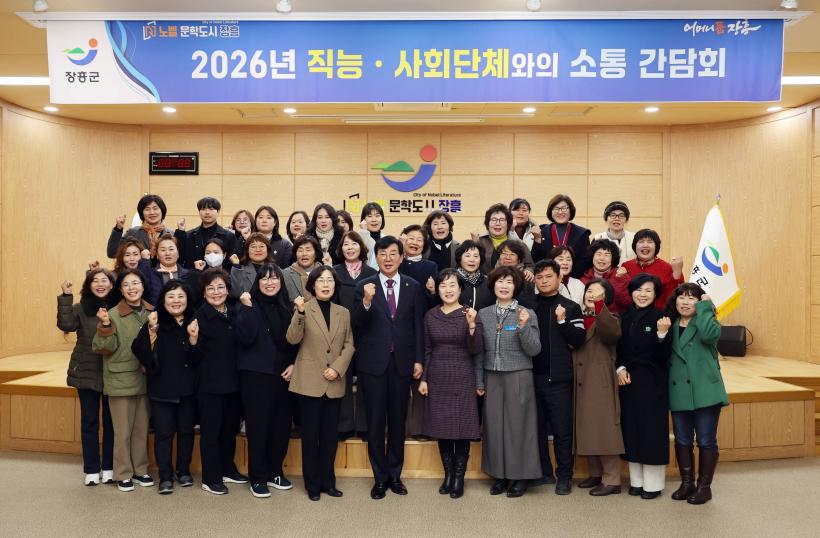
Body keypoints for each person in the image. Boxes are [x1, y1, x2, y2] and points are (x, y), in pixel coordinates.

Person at [353, 236, 426, 500]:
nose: (388, 258)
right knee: (375, 424)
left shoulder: (412, 286)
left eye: (393, 253)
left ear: (401, 257)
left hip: (402, 364)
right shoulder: (364, 285)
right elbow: (356, 324)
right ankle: (379, 478)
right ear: (377, 257)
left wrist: (418, 359)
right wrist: (366, 302)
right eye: (382, 253)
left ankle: (395, 475)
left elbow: (418, 326)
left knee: (397, 422)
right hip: (373, 365)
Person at [287, 266, 355, 501]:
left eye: (330, 281)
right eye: (321, 280)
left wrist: (337, 368)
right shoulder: (304, 308)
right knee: (310, 436)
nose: (326, 285)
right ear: (313, 285)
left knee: (329, 436)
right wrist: (299, 313)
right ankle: (312, 484)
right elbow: (292, 338)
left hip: (333, 381)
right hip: (309, 382)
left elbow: (349, 345)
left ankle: (329, 482)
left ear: (335, 285)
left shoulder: (343, 312)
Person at [475, 266, 541, 498]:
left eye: (509, 282)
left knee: (519, 428)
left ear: (516, 287)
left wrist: (523, 327)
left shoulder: (527, 313)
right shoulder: (483, 314)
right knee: (494, 427)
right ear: (493, 285)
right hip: (492, 376)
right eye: (500, 281)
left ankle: (521, 477)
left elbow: (534, 349)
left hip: (518, 375)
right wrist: (479, 380)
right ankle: (500, 475)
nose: (504, 286)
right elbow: (479, 351)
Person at [417, 269, 483, 499]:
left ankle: (458, 478)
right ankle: (448, 475)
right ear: (437, 290)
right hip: (437, 375)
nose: (448, 290)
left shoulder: (469, 313)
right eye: (443, 286)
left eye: (452, 285)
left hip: (463, 375)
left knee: (462, 429)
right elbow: (427, 349)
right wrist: (424, 378)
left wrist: (472, 326)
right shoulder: (431, 315)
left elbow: (476, 349)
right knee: (442, 428)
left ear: (460, 289)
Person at [235, 263, 299, 498]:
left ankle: (275, 472)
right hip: (256, 376)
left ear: (281, 282)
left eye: (274, 278)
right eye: (264, 279)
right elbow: (246, 337)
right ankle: (258, 477)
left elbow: (295, 341)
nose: (269, 283)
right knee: (258, 428)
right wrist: (248, 309)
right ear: (257, 282)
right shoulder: (247, 306)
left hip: (284, 376)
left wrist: (294, 364)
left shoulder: (288, 308)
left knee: (281, 427)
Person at [131, 279, 197, 495]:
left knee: (186, 432)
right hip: (161, 388)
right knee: (164, 434)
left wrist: (194, 339)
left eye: (180, 296)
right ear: (163, 299)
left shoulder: (194, 319)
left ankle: (183, 471)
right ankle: (166, 476)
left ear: (187, 299)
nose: (176, 301)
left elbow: (203, 354)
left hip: (188, 388)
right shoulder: (155, 319)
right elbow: (138, 348)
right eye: (171, 296)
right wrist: (152, 332)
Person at [91, 269, 154, 492]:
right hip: (120, 380)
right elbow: (102, 348)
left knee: (140, 430)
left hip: (145, 379)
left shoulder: (152, 312)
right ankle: (123, 473)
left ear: (143, 286)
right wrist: (105, 325)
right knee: (123, 432)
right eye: (126, 285)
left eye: (136, 283)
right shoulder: (113, 314)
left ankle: (140, 470)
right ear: (120, 290)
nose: (132, 288)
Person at [667, 283, 728, 505]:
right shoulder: (669, 324)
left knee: (705, 440)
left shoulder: (707, 321)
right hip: (678, 391)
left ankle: (704, 487)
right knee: (682, 439)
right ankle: (687, 483)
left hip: (705, 391)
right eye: (681, 297)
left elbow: (710, 336)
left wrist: (706, 307)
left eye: (692, 298)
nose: (685, 302)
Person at [529, 259, 586, 495]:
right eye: (539, 277)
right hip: (530, 378)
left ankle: (564, 476)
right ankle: (544, 471)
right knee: (536, 430)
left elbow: (579, 340)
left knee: (562, 431)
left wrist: (562, 322)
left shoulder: (570, 307)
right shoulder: (528, 305)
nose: (544, 281)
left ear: (559, 278)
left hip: (559, 379)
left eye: (548, 276)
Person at [189, 268, 247, 494]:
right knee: (211, 433)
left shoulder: (235, 312)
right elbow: (193, 358)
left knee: (229, 430)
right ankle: (211, 477)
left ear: (228, 290)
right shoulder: (199, 317)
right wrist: (193, 340)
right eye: (210, 288)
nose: (216, 292)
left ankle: (227, 469)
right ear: (204, 293)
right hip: (210, 385)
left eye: (220, 287)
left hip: (234, 383)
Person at [57, 268, 116, 486]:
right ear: (89, 285)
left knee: (111, 423)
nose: (100, 284)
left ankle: (108, 467)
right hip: (86, 371)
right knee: (89, 423)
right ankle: (91, 469)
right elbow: (66, 325)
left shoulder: (118, 307)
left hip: (113, 373)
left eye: (105, 280)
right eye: (95, 280)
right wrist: (65, 297)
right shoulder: (80, 307)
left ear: (112, 285)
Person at [616, 274, 671, 500]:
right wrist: (619, 369)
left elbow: (664, 356)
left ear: (655, 294)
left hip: (652, 381)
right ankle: (636, 482)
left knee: (651, 431)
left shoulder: (662, 318)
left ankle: (653, 484)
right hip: (628, 381)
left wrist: (662, 334)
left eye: (648, 290)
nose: (642, 294)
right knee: (632, 429)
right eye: (638, 290)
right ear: (631, 292)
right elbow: (617, 350)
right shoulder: (623, 317)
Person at [574, 278, 624, 496]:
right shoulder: (579, 317)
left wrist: (600, 307)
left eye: (596, 291)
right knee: (587, 426)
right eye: (588, 290)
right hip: (580, 378)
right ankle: (595, 474)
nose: (590, 294)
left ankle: (612, 480)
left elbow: (610, 334)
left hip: (600, 380)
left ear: (606, 297)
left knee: (605, 429)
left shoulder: (611, 318)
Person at [333, 231, 377, 439]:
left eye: (354, 244)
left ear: (362, 247)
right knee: (342, 377)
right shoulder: (334, 273)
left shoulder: (372, 273)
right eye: (346, 245)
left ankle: (364, 425)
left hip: (367, 333)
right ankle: (344, 425)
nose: (350, 248)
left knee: (366, 380)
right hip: (341, 334)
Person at [622, 229, 684, 309]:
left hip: (659, 314)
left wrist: (677, 275)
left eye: (650, 242)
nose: (645, 245)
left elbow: (676, 296)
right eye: (641, 241)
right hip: (631, 314)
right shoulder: (626, 266)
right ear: (635, 246)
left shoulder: (668, 268)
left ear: (656, 247)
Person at [532, 194, 591, 278]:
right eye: (556, 208)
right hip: (546, 280)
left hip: (572, 280)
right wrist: (537, 240)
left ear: (571, 210)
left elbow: (584, 262)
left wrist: (569, 280)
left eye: (564, 208)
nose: (560, 212)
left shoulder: (582, 233)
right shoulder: (542, 231)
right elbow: (536, 260)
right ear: (550, 211)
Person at [106, 194, 173, 261]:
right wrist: (118, 228)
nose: (152, 212)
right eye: (147, 209)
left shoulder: (171, 234)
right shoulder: (133, 233)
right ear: (142, 213)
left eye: (155, 208)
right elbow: (112, 253)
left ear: (162, 211)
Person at [177, 197, 236, 269]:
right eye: (203, 209)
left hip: (220, 275)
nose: (207, 212)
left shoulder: (228, 236)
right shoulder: (189, 235)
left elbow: (232, 262)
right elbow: (179, 258)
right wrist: (180, 233)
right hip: (194, 275)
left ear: (218, 211)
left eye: (211, 209)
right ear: (199, 212)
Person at [473, 203, 533, 275]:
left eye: (502, 220)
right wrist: (474, 244)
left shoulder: (519, 243)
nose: (497, 223)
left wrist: (528, 271)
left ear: (508, 224)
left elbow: (530, 265)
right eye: (493, 220)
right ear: (487, 224)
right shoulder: (480, 242)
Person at [141, 233, 196, 307]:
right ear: (157, 255)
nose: (167, 253)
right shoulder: (150, 275)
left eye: (171, 249)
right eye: (163, 250)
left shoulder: (189, 275)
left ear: (178, 253)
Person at [580, 238, 631, 313]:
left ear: (612, 258)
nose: (602, 258)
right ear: (592, 256)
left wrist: (619, 280)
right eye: (598, 254)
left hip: (614, 318)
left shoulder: (622, 276)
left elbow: (626, 303)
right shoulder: (583, 279)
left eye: (606, 255)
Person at [230, 232, 275, 298]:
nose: (258, 250)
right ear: (247, 250)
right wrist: (236, 266)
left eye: (262, 246)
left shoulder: (276, 270)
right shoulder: (240, 271)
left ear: (267, 249)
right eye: (253, 247)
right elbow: (235, 294)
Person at [455, 240, 494, 311]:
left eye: (476, 256)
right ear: (460, 258)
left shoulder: (488, 282)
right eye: (467, 256)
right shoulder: (452, 280)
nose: (472, 260)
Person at [283, 235, 322, 302]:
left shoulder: (324, 272)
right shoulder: (286, 274)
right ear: (295, 254)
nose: (304, 254)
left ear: (316, 253)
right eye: (300, 250)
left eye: (308, 250)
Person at [359, 202, 385, 269]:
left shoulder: (386, 239)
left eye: (377, 216)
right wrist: (364, 233)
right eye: (369, 216)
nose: (374, 220)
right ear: (363, 220)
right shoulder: (357, 239)